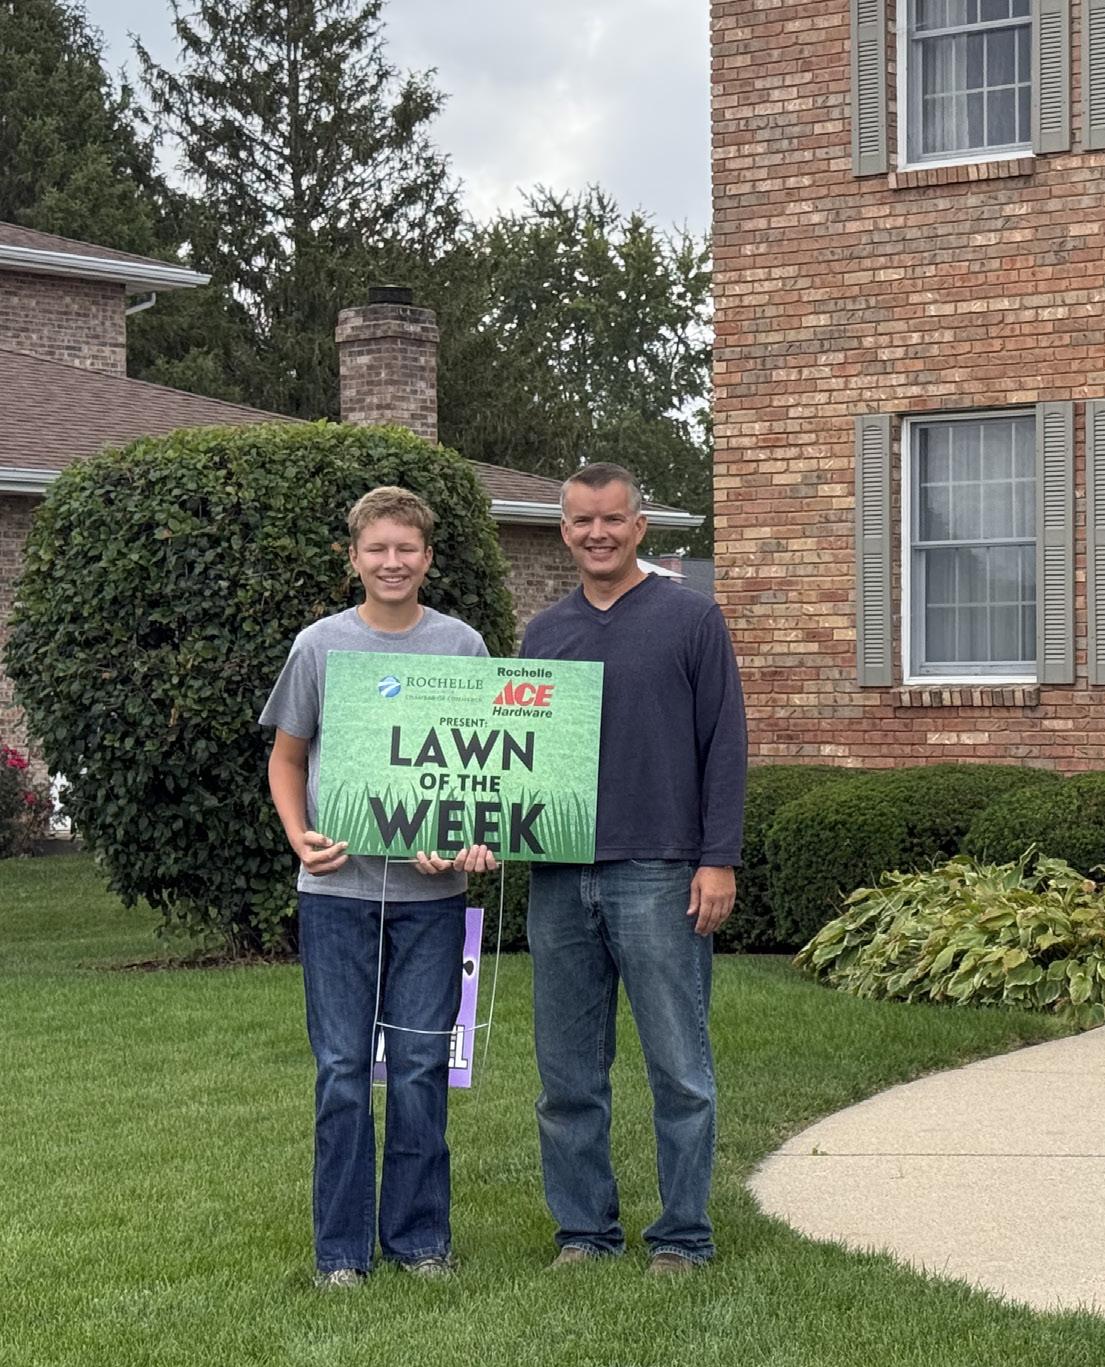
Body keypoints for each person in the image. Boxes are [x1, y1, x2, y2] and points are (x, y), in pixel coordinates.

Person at [261, 486, 496, 1288]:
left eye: (407, 549)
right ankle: (341, 1254)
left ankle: (421, 1242)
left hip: (434, 903)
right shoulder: (320, 646)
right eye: (377, 549)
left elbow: (486, 769)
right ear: (354, 557)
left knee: (423, 1068)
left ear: (428, 557)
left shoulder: (462, 647)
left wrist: (471, 841)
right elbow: (287, 757)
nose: (392, 562)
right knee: (342, 1070)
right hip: (337, 894)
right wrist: (299, 834)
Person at [522, 462, 744, 1275]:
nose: (598, 534)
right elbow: (519, 758)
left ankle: (683, 1236)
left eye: (613, 519)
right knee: (567, 1076)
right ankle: (584, 1232)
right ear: (565, 531)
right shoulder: (543, 634)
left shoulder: (691, 619)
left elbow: (726, 745)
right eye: (582, 521)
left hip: (659, 869)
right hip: (558, 875)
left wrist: (718, 860)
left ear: (639, 527)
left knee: (679, 1069)